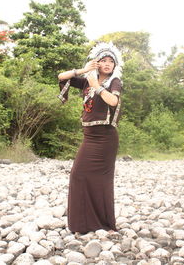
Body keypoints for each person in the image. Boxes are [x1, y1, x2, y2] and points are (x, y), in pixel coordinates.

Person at [57, 42, 123, 234]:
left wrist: (97, 86)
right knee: (78, 175)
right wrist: (85, 70)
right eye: (103, 60)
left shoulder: (114, 82)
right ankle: (83, 224)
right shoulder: (87, 80)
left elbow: (113, 101)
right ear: (97, 63)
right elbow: (61, 77)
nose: (108, 64)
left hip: (105, 137)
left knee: (102, 181)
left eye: (111, 61)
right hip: (89, 136)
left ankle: (105, 224)